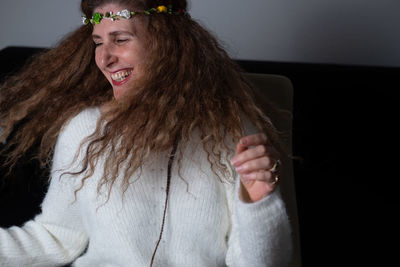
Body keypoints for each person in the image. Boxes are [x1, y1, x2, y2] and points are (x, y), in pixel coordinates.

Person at [0, 0, 292, 266]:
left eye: (121, 39)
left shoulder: (231, 130)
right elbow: (54, 237)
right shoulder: (84, 129)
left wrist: (258, 203)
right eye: (98, 42)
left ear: (167, 43)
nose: (104, 58)